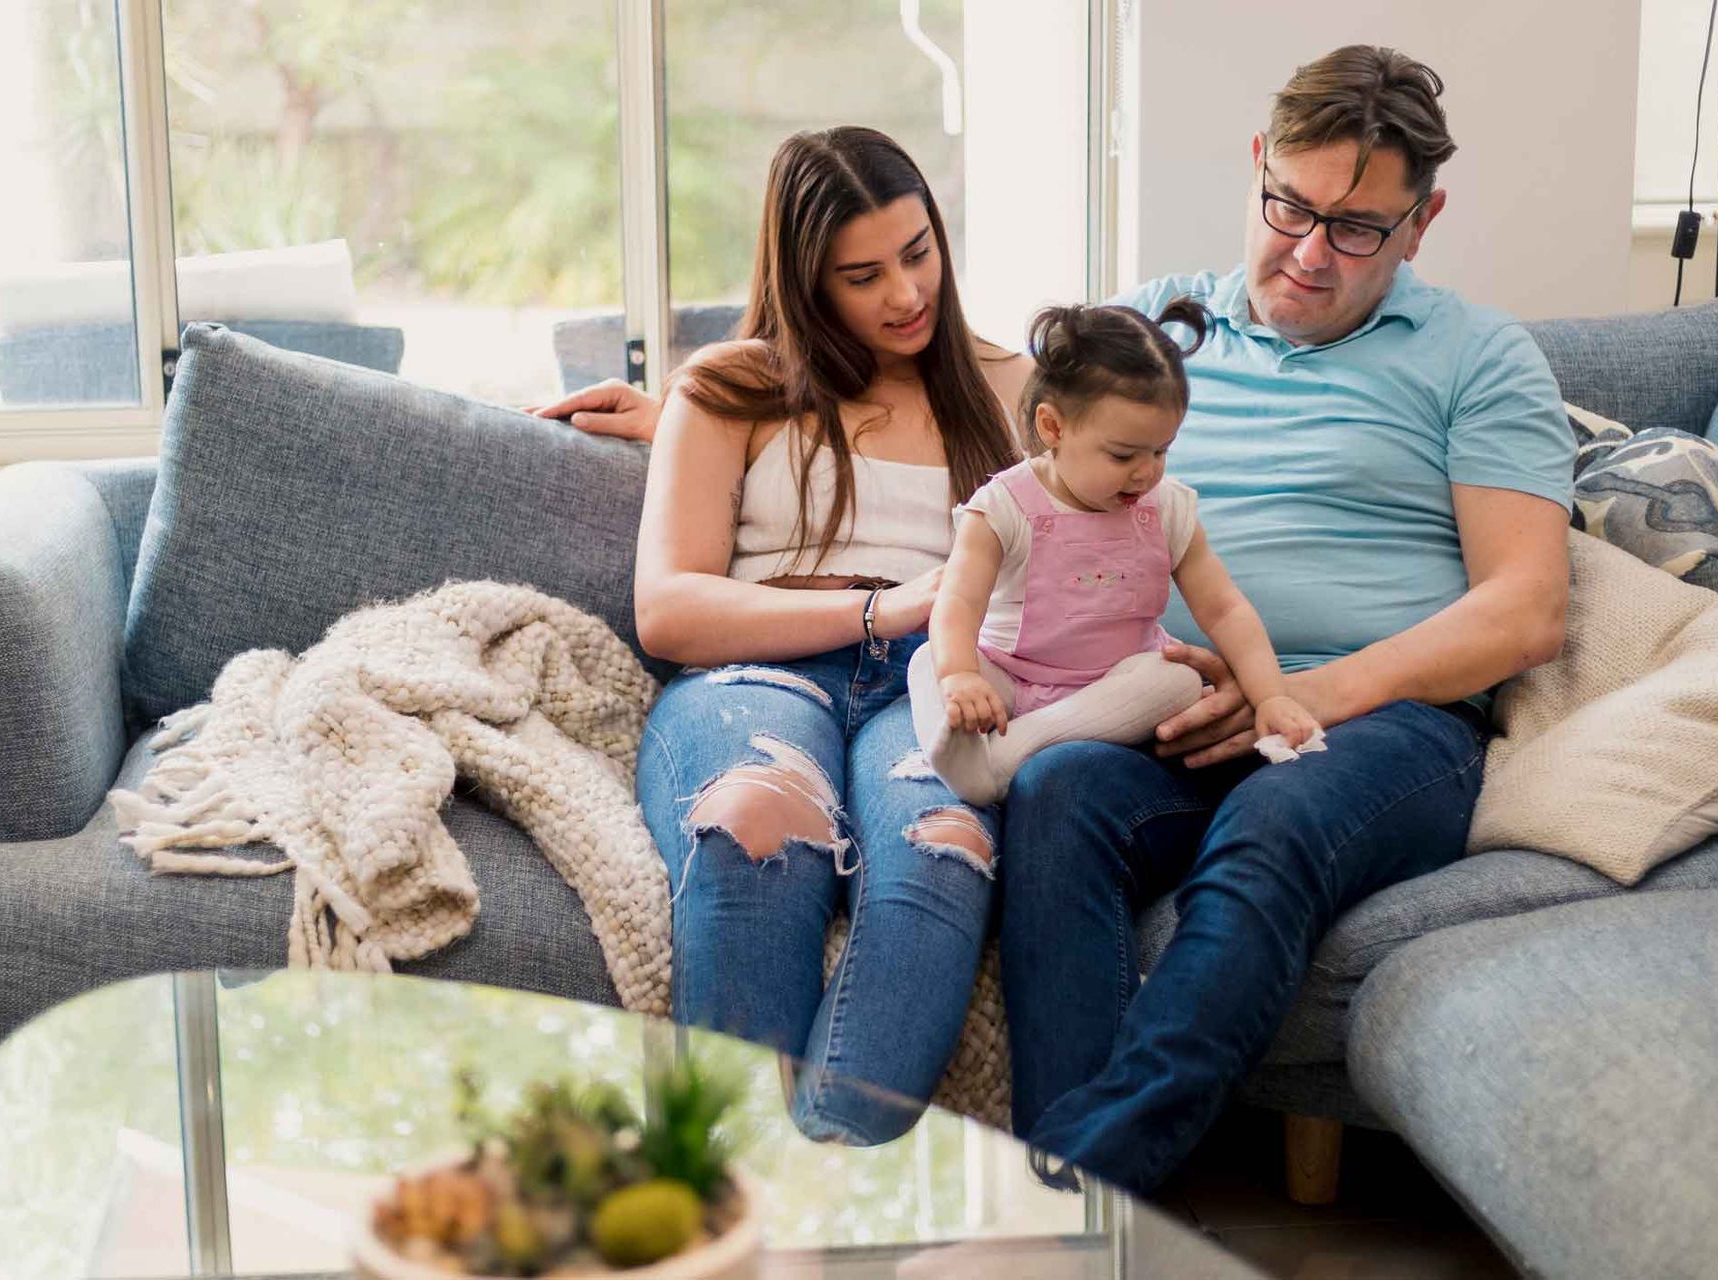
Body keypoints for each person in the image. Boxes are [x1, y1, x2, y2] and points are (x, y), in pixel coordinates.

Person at [542, 45, 1573, 1193]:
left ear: (1422, 224)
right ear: (1256, 166)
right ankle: (851, 1199)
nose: (1308, 250)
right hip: (1140, 698)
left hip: (1358, 716)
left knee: (1262, 827)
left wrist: (1292, 693)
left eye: (1358, 228)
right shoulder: (1149, 331)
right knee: (1052, 791)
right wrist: (688, 420)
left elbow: (1526, 608)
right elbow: (939, 411)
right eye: (1289, 205)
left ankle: (1070, 1189)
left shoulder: (1481, 359)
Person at [572, 124, 1022, 1146]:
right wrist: (881, 605)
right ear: (805, 280)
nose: (906, 294)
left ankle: (812, 1196)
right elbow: (672, 609)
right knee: (752, 825)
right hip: (755, 669)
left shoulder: (1012, 387)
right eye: (862, 276)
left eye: (918, 252)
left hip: (936, 676)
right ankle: (724, 1190)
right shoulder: (730, 387)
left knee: (943, 853)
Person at [906, 298, 1323, 807]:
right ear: (1052, 428)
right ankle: (957, 743)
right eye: (1123, 455)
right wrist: (961, 676)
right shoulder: (1002, 507)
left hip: (1113, 693)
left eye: (1161, 451)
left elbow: (1225, 607)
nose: (1146, 473)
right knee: (928, 661)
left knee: (1175, 681)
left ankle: (1008, 755)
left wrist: (1271, 696)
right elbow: (958, 603)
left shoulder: (1167, 509)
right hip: (1008, 677)